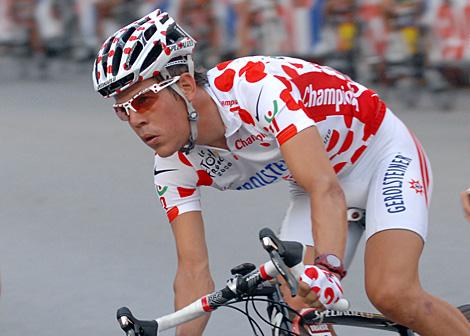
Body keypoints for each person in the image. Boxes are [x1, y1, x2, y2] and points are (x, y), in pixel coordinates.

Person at [92, 9, 470, 336]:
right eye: (122, 109)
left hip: (379, 156)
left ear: (186, 85)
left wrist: (328, 268)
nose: (135, 119)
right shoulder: (173, 165)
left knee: (391, 292)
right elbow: (193, 269)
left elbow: (324, 187)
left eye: (143, 98)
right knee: (295, 307)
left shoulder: (257, 90)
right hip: (314, 182)